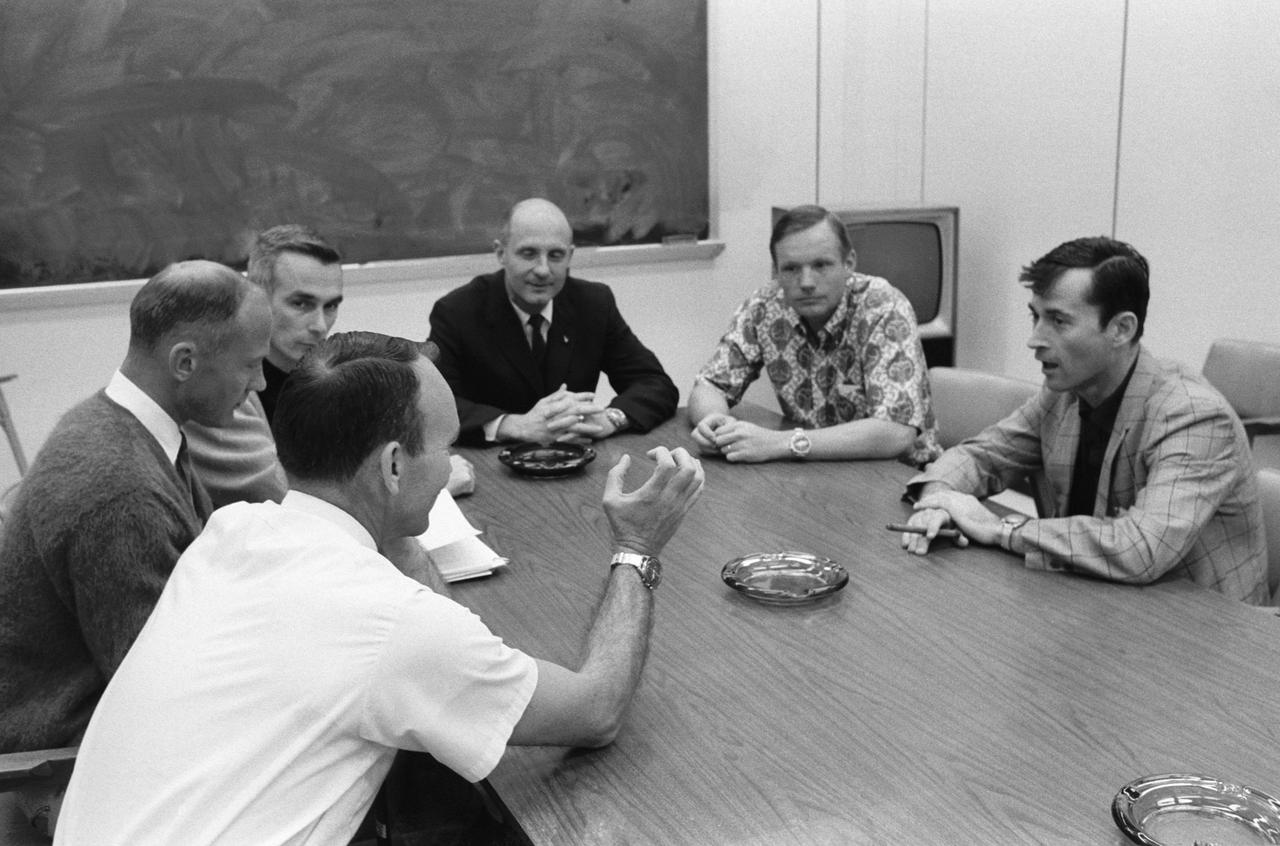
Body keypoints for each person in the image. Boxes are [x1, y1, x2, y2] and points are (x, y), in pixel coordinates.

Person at [55, 332, 705, 844]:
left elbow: (428, 619)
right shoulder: (389, 625)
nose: (453, 465)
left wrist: (392, 516)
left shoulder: (234, 533)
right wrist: (637, 547)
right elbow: (596, 711)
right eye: (446, 447)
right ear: (393, 465)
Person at [0, 261, 270, 831]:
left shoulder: (127, 425)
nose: (260, 384)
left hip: (103, 728)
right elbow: (154, 692)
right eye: (250, 365)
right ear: (185, 362)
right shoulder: (119, 489)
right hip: (70, 766)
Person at [901, 236, 1268, 604]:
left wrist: (1000, 529)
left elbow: (1142, 547)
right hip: (1095, 601)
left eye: (1058, 321)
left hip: (1202, 634)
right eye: (1036, 316)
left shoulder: (1193, 416)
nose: (1034, 340)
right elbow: (982, 455)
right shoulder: (1063, 393)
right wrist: (939, 501)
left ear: (1121, 329)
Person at [185, 225, 474, 505]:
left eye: (331, 306)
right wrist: (425, 488)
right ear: (257, 295)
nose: (320, 326)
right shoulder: (223, 385)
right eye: (301, 304)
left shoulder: (325, 373)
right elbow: (284, 494)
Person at [688, 204, 940, 466]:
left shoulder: (883, 307)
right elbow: (710, 385)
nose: (806, 282)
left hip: (902, 477)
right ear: (776, 271)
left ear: (849, 263)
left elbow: (897, 433)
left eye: (821, 265)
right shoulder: (765, 306)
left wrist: (781, 443)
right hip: (814, 471)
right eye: (791, 269)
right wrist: (714, 421)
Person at [428, 198, 678, 445]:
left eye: (556, 255)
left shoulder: (594, 304)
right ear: (501, 253)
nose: (543, 270)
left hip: (574, 460)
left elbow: (656, 384)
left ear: (570, 256)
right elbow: (430, 405)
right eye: (529, 253)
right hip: (493, 465)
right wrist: (511, 425)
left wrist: (610, 419)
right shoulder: (457, 312)